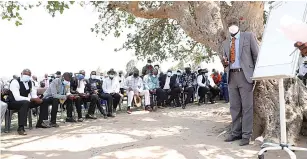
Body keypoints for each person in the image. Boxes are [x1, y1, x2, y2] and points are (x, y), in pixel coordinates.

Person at [221, 17, 259, 146]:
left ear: (238, 25)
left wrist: (256, 75)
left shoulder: (248, 36)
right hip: (231, 76)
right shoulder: (226, 43)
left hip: (245, 75)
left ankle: (246, 135)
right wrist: (224, 64)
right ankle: (235, 132)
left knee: (247, 107)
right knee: (234, 107)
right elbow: (225, 62)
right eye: (230, 24)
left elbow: (256, 56)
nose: (232, 26)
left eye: (234, 24)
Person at [8, 69, 52, 135]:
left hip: (26, 101)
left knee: (43, 101)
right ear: (21, 74)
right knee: (25, 103)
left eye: (29, 75)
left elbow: (33, 94)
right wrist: (31, 99)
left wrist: (37, 99)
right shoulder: (15, 82)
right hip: (13, 102)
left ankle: (41, 123)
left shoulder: (30, 82)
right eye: (26, 74)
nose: (27, 76)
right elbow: (17, 97)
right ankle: (21, 128)